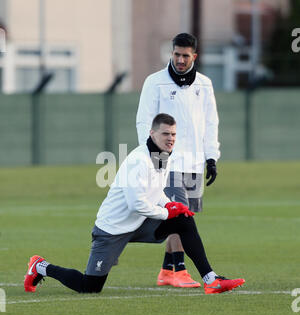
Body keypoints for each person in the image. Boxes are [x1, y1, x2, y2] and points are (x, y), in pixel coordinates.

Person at [24, 113, 244, 295]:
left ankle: (211, 280)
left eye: (174, 134)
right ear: (152, 133)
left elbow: (155, 192)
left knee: (184, 220)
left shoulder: (164, 155)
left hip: (140, 222)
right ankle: (40, 266)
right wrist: (166, 213)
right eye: (165, 133)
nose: (170, 138)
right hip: (113, 228)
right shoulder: (138, 160)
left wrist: (169, 205)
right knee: (89, 287)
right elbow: (136, 204)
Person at [136, 33, 220, 288]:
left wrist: (211, 157)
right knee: (180, 216)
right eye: (176, 54)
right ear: (171, 53)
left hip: (194, 163)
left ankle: (165, 270)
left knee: (187, 215)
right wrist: (152, 154)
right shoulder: (155, 82)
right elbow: (144, 119)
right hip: (167, 162)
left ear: (194, 56)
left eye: (185, 55)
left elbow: (210, 122)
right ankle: (179, 270)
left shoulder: (204, 84)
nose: (180, 60)